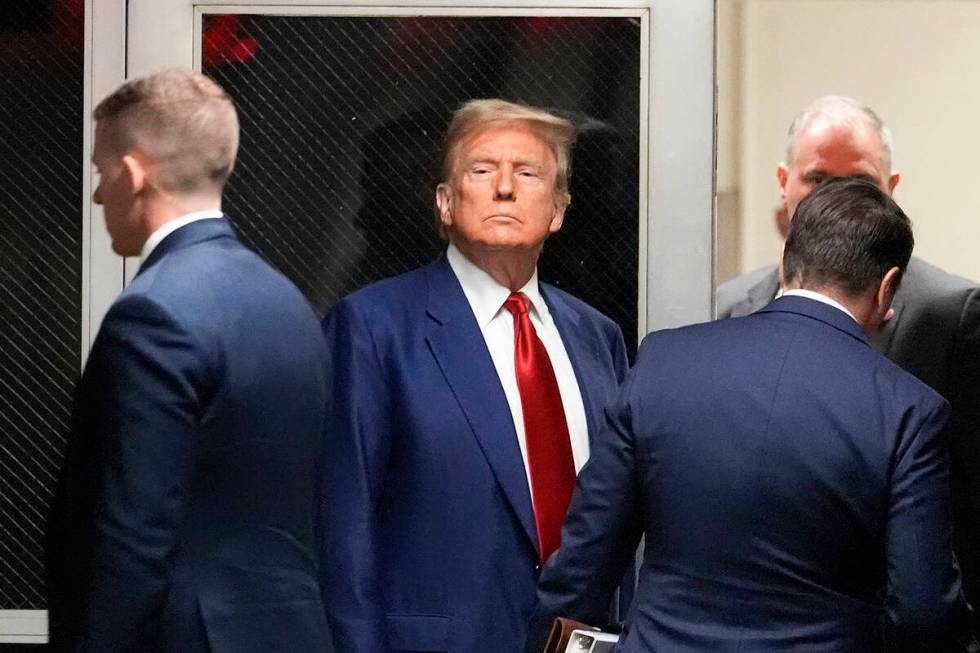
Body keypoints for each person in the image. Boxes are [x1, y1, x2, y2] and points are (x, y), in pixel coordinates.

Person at [525, 177, 977, 653]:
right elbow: (922, 611)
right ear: (888, 288)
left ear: (786, 262)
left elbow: (586, 563)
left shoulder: (665, 362)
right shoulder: (909, 410)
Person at [318, 98, 628, 653]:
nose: (504, 188)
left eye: (527, 173)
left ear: (558, 209)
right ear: (444, 202)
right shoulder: (372, 328)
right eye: (482, 170)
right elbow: (343, 528)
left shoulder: (596, 336)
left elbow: (619, 515)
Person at [45, 69, 333, 652]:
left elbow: (131, 535)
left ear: (132, 173)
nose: (99, 195)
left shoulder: (153, 315)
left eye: (101, 173)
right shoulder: (287, 303)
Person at [716, 96, 980, 625]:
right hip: (750, 612)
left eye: (858, 179)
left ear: (893, 188)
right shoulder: (726, 306)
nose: (836, 198)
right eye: (817, 178)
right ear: (783, 183)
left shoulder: (952, 312)